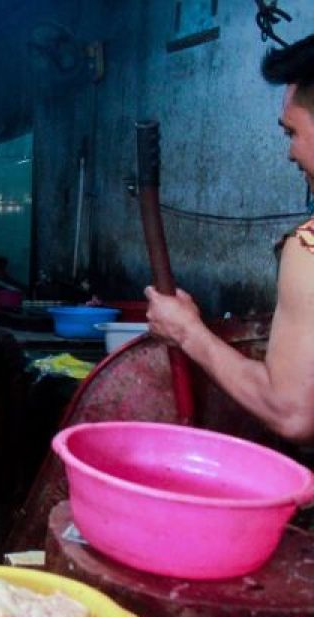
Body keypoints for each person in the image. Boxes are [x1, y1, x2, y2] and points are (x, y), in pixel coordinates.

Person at [146, 34, 314, 442]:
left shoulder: (309, 248)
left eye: (292, 132)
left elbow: (291, 412)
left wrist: (188, 331)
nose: (290, 153)